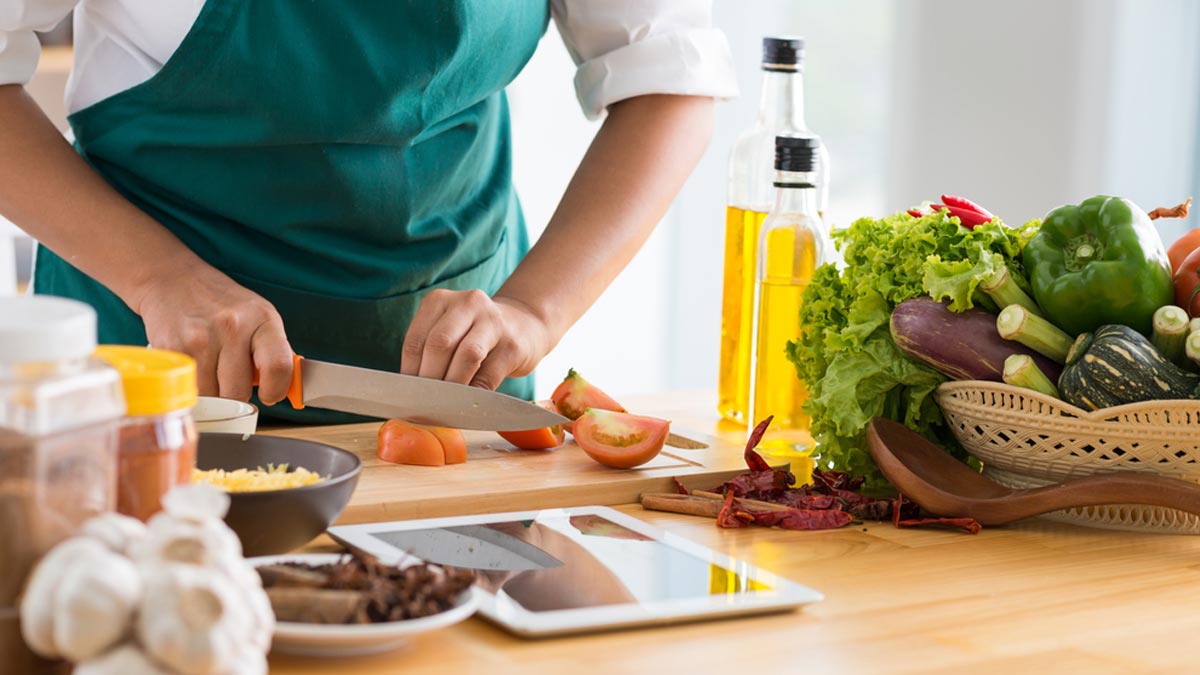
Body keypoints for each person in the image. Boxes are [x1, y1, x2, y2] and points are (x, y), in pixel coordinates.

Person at [0, 1, 738, 421]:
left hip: (454, 387)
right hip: (161, 364)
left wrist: (533, 311)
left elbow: (668, 84)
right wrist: (158, 277)